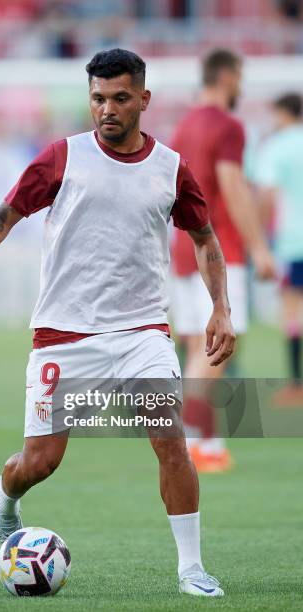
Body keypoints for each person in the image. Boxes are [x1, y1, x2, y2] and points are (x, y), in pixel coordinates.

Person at [0, 48, 235, 597]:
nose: (107, 109)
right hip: (63, 334)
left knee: (170, 438)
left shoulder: (170, 168)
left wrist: (221, 306)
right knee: (39, 462)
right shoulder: (61, 158)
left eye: (120, 98)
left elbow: (205, 238)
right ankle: (4, 498)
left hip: (142, 331)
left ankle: (191, 568)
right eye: (98, 98)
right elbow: (5, 216)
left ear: (144, 100)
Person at [170, 48, 275, 472]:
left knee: (199, 343)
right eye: (240, 76)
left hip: (183, 247)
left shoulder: (184, 125)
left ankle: (207, 442)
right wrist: (260, 247)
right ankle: (190, 440)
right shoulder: (229, 126)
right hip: (219, 250)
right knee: (218, 348)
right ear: (228, 76)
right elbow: (232, 189)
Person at [256, 93, 303, 405]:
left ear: (283, 113)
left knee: (292, 310)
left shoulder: (276, 147)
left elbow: (267, 195)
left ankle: (296, 385)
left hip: (293, 239)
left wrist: (258, 238)